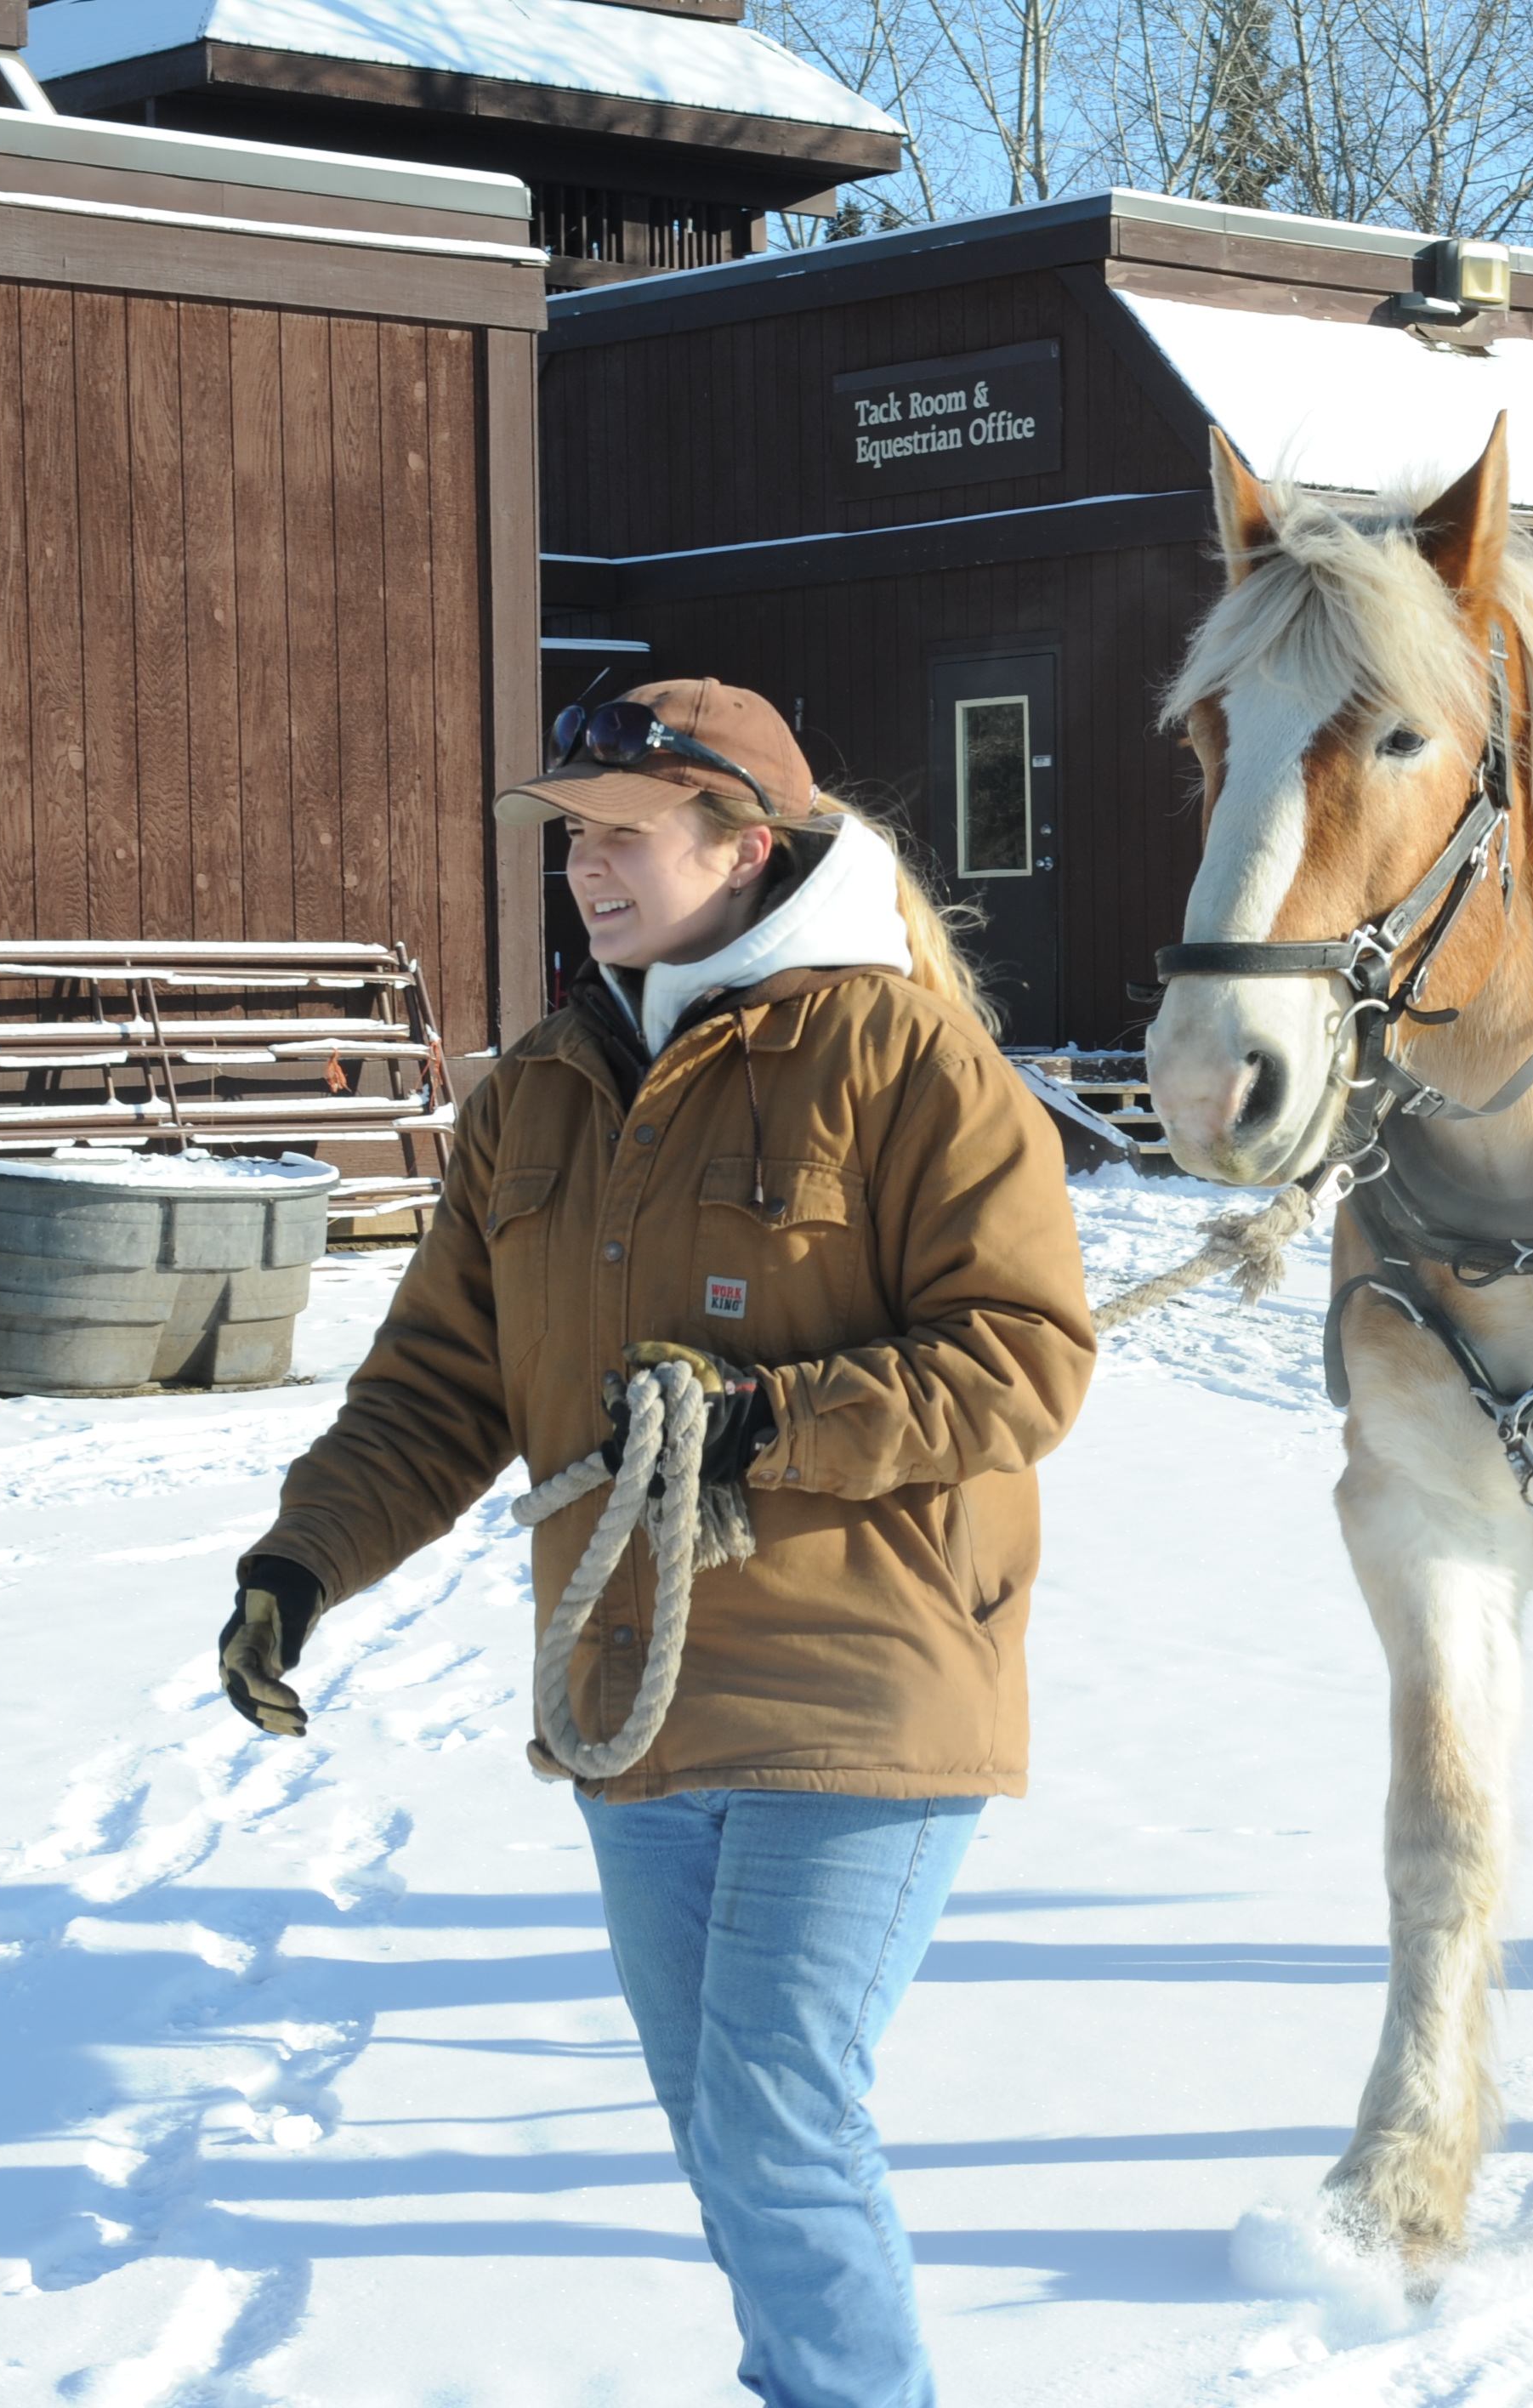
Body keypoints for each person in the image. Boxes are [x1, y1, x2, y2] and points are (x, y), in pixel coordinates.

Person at [213, 679, 1095, 2405]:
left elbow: (1024, 1358)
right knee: (724, 2128)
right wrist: (301, 1562)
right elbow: (438, 1383)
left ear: (742, 846)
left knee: (774, 2106)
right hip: (638, 1689)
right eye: (569, 840)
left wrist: (767, 1418)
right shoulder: (539, 1092)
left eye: (619, 836)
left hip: (863, 1684)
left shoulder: (902, 1056)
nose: (583, 871)